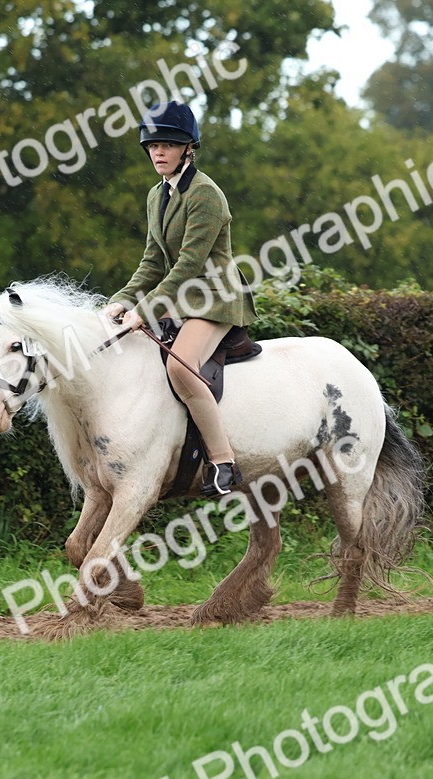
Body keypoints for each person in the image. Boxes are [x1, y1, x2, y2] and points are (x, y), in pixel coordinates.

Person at [104, 100, 259, 496]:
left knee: (179, 367)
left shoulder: (206, 195)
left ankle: (223, 462)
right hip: (182, 296)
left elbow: (189, 265)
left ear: (188, 148)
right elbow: (153, 260)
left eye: (168, 145)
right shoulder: (157, 196)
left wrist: (147, 308)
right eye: (153, 145)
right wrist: (122, 299)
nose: (158, 152)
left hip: (214, 296)